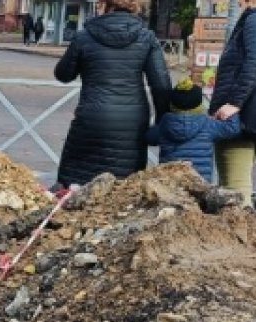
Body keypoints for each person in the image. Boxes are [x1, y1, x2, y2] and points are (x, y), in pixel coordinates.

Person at [52, 0, 170, 188]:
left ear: (103, 5)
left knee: (75, 184)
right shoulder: (146, 37)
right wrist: (162, 122)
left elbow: (63, 75)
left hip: (92, 118)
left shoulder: (84, 37)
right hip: (132, 123)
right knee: (124, 190)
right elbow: (161, 86)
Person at [210, 1, 256, 203]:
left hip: (241, 119)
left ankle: (247, 235)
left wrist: (234, 102)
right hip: (253, 116)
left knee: (236, 198)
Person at [147, 78, 241, 182]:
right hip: (200, 183)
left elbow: (149, 137)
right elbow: (233, 129)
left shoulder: (165, 125)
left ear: (172, 105)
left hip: (170, 183)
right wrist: (230, 106)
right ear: (199, 105)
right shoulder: (208, 124)